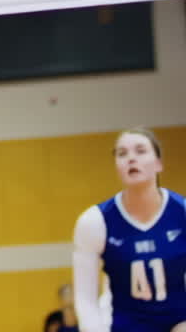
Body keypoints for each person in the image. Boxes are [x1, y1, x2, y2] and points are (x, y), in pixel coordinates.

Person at [73, 127, 185, 332]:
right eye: (122, 153)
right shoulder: (95, 221)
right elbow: (85, 299)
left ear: (158, 164)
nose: (131, 158)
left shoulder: (182, 213)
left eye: (140, 151)